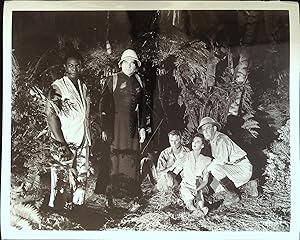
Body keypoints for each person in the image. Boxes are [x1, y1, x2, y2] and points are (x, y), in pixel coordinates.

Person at [46, 50, 91, 210]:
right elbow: (51, 115)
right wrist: (61, 143)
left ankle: (78, 209)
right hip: (65, 140)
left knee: (81, 176)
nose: (74, 68)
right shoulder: (58, 86)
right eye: (70, 65)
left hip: (82, 139)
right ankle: (58, 211)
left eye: (77, 65)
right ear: (65, 67)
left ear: (81, 67)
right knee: (62, 177)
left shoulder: (83, 86)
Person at [100, 49, 146, 184]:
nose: (130, 66)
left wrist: (142, 127)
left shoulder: (139, 81)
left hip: (132, 123)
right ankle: (114, 186)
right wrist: (104, 128)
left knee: (131, 153)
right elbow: (103, 106)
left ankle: (130, 185)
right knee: (115, 155)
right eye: (127, 63)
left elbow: (142, 106)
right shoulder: (112, 79)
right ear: (121, 64)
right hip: (115, 124)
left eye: (133, 63)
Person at [198, 117, 258, 206]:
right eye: (203, 130)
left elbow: (221, 161)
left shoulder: (221, 139)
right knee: (217, 185)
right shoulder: (213, 141)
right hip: (236, 168)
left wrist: (207, 169)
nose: (205, 132)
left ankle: (233, 196)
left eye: (208, 128)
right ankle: (249, 185)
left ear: (214, 128)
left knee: (214, 168)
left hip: (241, 168)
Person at [179, 133, 211, 214]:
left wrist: (197, 189)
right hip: (186, 184)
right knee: (189, 200)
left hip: (199, 186)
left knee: (201, 201)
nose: (194, 143)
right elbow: (177, 170)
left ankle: (201, 209)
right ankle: (195, 211)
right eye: (193, 141)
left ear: (202, 145)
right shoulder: (185, 156)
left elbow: (205, 181)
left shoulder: (206, 160)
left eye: (198, 141)